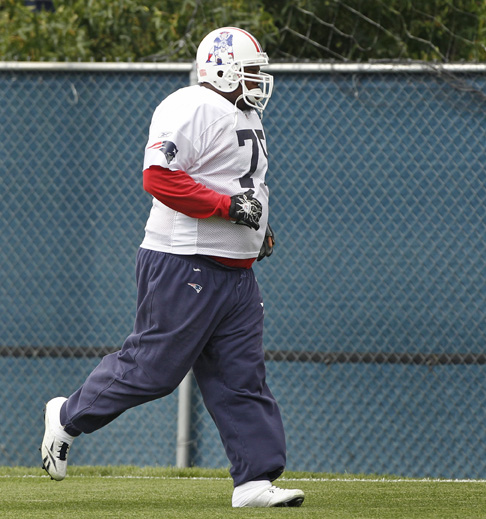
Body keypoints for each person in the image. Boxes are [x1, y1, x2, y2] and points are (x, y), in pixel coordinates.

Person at [40, 26, 304, 508]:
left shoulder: (243, 113)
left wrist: (257, 229)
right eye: (248, 70)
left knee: (241, 375)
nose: (255, 81)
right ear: (219, 68)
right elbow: (159, 177)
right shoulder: (190, 105)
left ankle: (253, 481)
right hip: (185, 261)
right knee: (153, 370)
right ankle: (67, 415)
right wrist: (229, 211)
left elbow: (244, 184)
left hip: (236, 272)